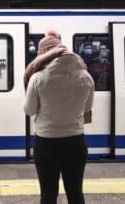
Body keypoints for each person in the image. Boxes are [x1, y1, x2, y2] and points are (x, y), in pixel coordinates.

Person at [24, 32, 94, 204]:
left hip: (46, 144)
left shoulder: (38, 78)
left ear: (44, 53)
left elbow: (30, 110)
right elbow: (87, 108)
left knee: (48, 195)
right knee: (76, 193)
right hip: (76, 143)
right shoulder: (86, 76)